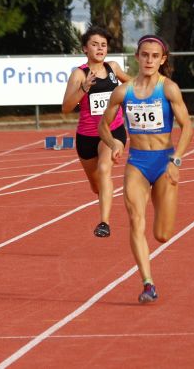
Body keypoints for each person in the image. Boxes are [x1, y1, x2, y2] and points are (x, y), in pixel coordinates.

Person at [99, 35, 193, 303]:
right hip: (137, 163)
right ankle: (148, 283)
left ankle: (151, 269)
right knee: (135, 221)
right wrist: (114, 142)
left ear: (162, 60)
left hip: (164, 162)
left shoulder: (169, 89)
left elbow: (188, 126)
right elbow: (103, 125)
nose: (149, 60)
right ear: (137, 57)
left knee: (162, 235)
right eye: (144, 55)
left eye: (154, 56)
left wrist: (176, 160)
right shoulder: (123, 92)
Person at [62, 26, 131, 238]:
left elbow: (134, 85)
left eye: (103, 45)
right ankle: (103, 193)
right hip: (86, 136)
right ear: (85, 48)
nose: (100, 48)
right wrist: (84, 88)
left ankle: (104, 223)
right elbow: (65, 108)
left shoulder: (113, 68)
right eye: (94, 44)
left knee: (104, 170)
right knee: (96, 185)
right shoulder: (79, 74)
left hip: (112, 131)